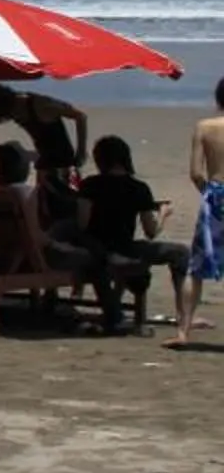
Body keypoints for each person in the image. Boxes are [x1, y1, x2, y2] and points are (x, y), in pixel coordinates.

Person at [76, 136, 183, 334]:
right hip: (125, 247)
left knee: (123, 259)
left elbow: (82, 223)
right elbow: (151, 232)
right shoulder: (138, 188)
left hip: (98, 247)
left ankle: (115, 305)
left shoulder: (89, 185)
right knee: (181, 253)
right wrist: (163, 214)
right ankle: (183, 313)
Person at [179, 81, 224, 346]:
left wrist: (209, 193)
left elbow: (196, 172)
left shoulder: (205, 127)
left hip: (216, 195)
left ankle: (184, 331)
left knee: (195, 268)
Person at [0, 84, 86, 196]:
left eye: (9, 115)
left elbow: (80, 117)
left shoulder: (40, 105)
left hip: (65, 168)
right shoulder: (18, 111)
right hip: (44, 169)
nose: (13, 119)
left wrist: (81, 151)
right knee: (43, 208)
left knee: (70, 204)